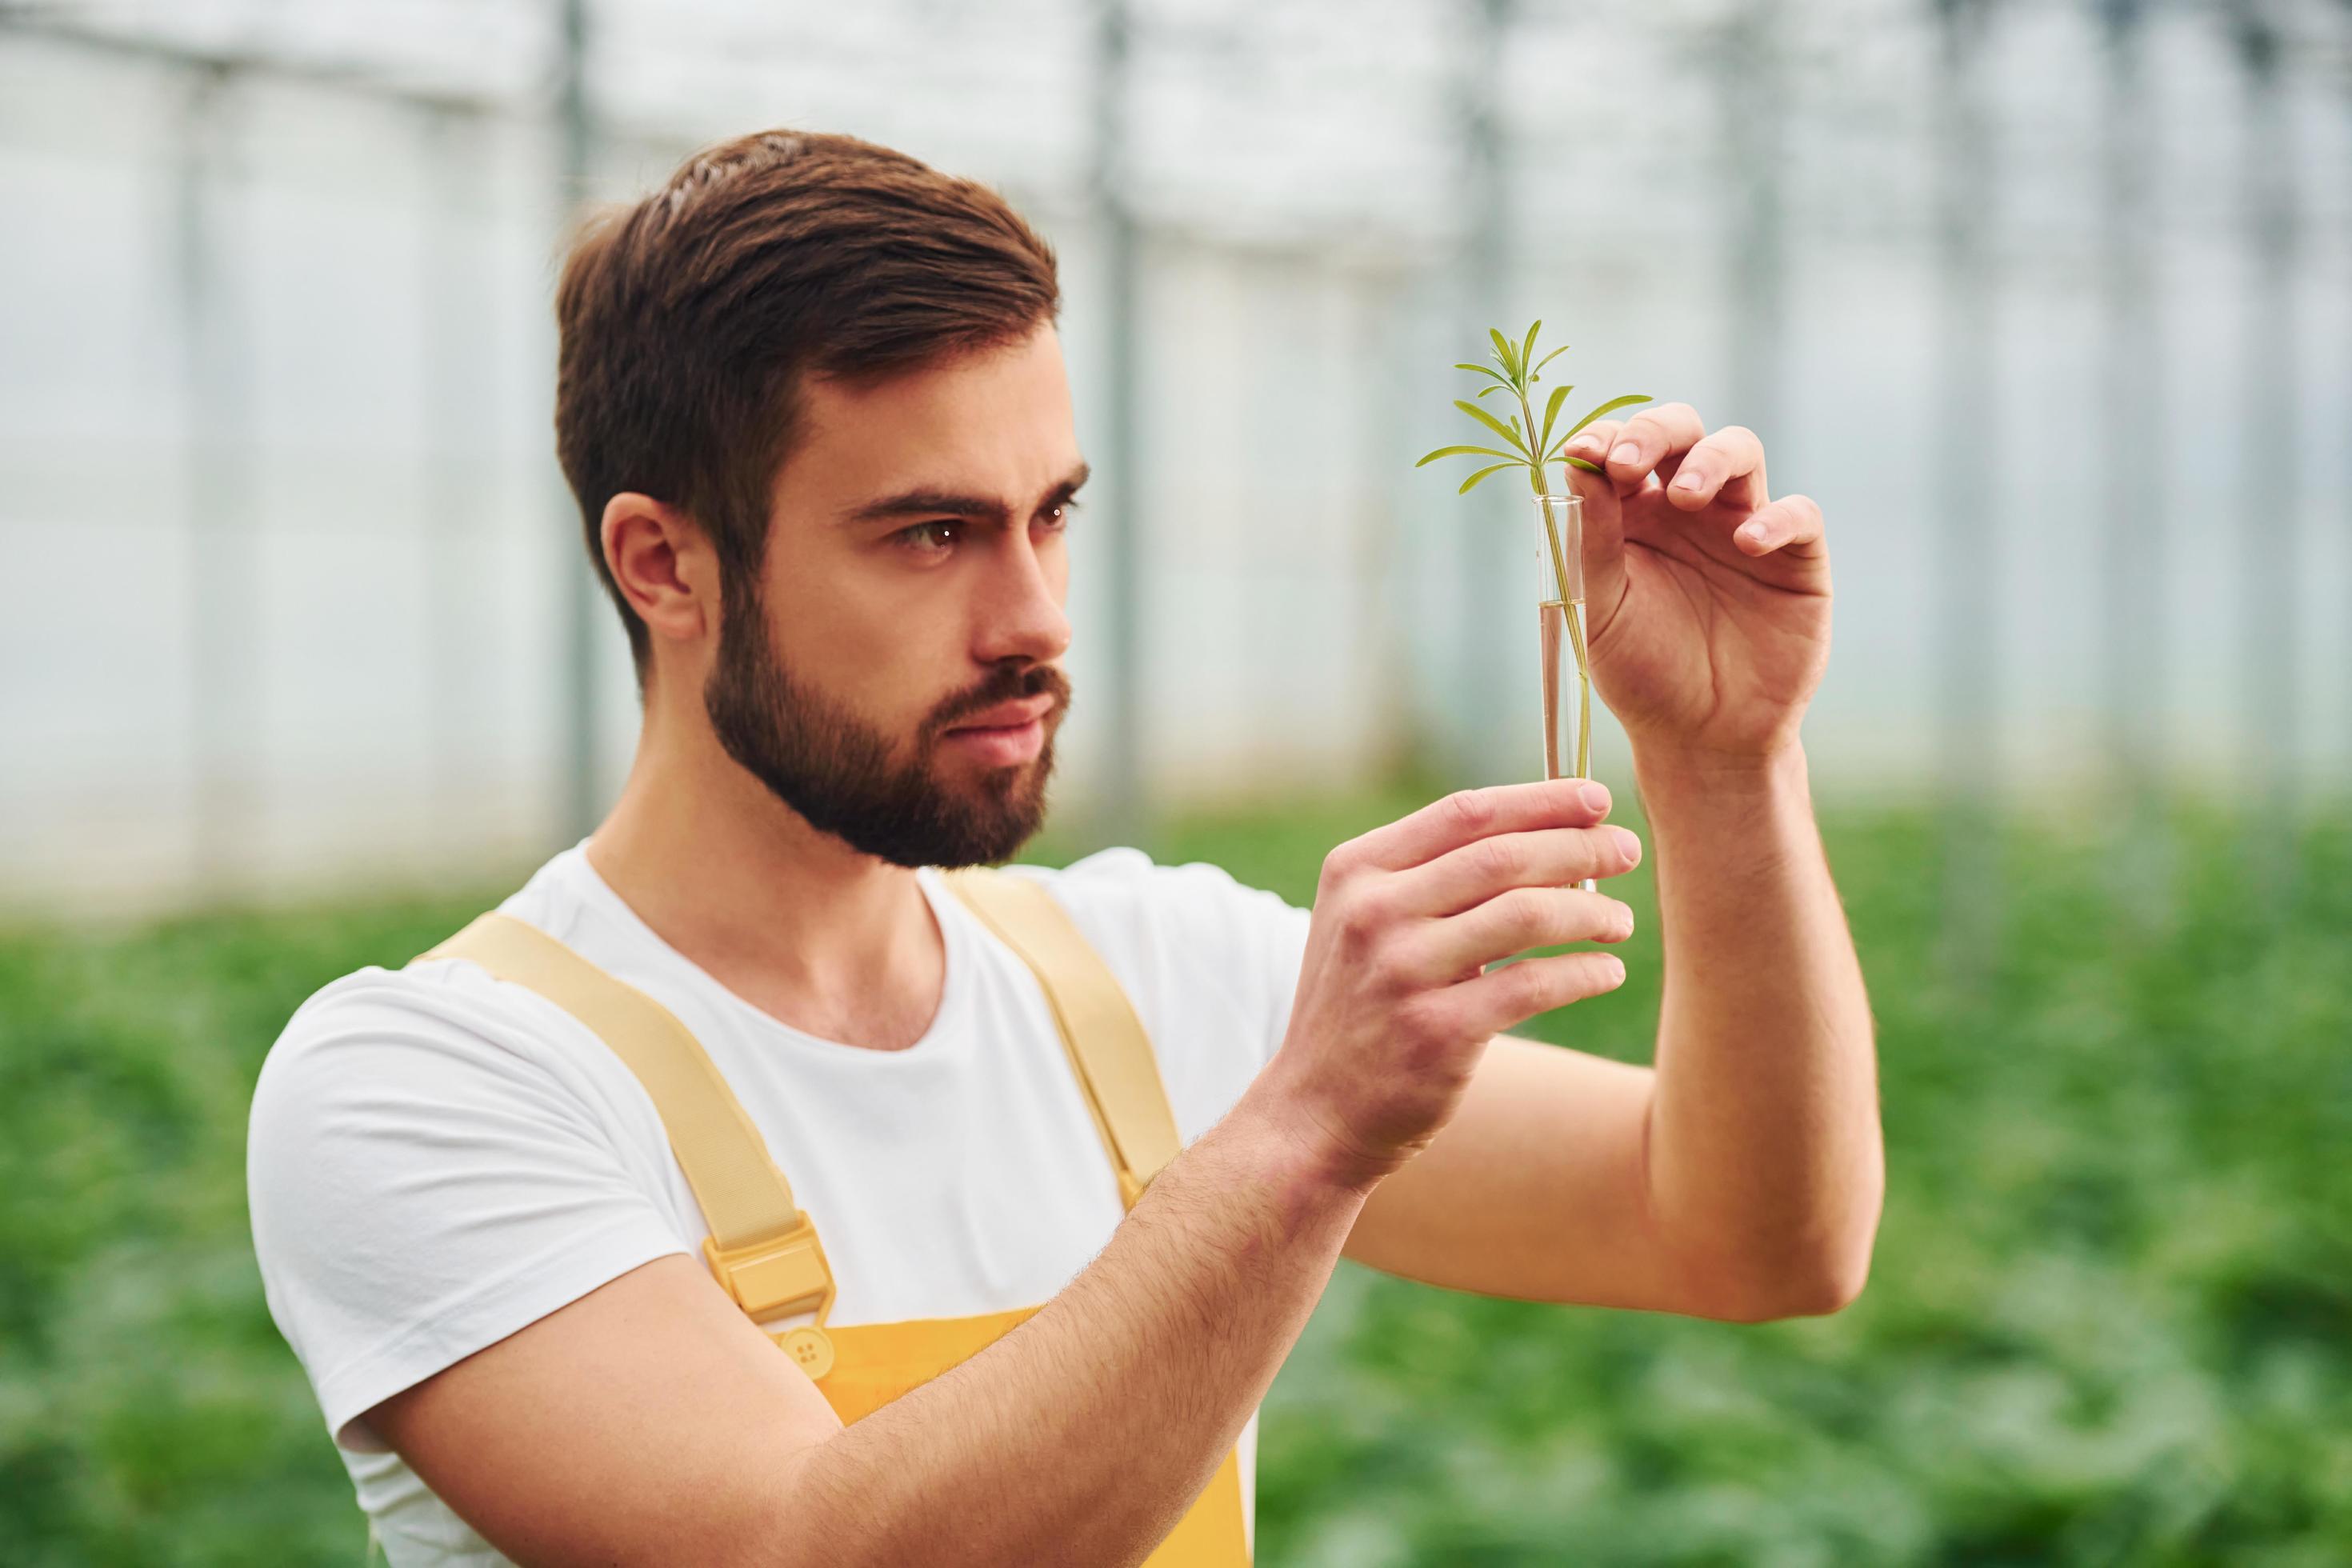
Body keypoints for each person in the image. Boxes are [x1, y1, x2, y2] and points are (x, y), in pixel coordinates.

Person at [246, 128, 1881, 1567]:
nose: (1031, 618)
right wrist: (1301, 1132)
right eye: (931, 533)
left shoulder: (1148, 971)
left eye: (1051, 515)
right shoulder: (436, 1077)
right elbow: (793, 1546)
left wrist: (1725, 764)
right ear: (664, 564)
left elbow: (1749, 1233)